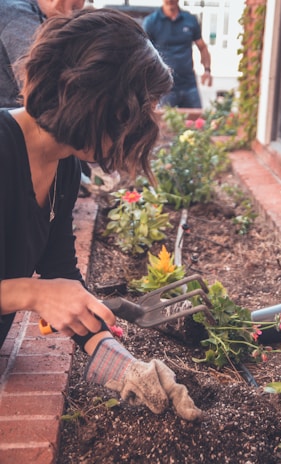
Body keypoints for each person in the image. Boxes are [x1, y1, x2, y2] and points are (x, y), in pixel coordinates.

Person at [0, 8, 203, 421]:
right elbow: (45, 290)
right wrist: (33, 294)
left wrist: (127, 367)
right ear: (94, 101)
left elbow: (62, 277)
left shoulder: (65, 168)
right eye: (135, 110)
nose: (138, 128)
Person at [0, 0, 94, 195]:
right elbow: (45, 91)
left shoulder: (32, 14)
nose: (72, 13)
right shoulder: (16, 15)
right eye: (74, 6)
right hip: (13, 141)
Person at [143, 0, 212, 109]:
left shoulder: (190, 20)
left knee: (197, 121)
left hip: (189, 84)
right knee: (165, 123)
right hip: (165, 87)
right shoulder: (151, 22)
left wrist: (207, 70)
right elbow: (144, 53)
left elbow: (202, 47)